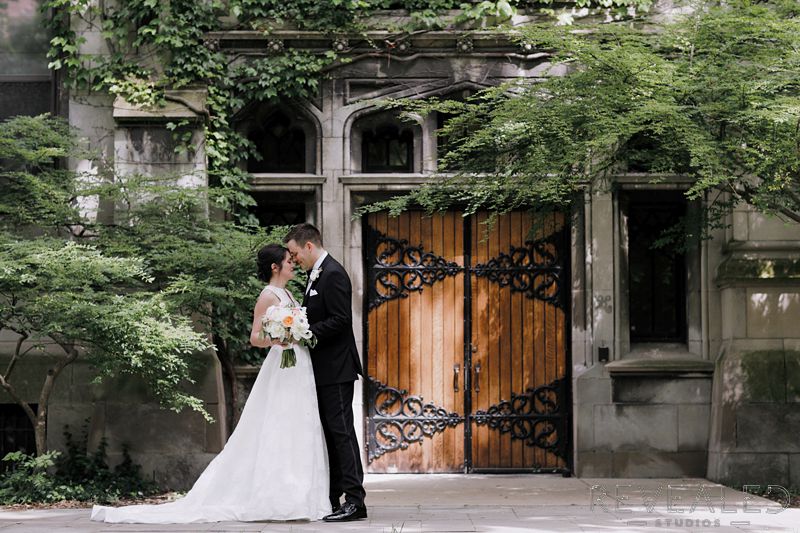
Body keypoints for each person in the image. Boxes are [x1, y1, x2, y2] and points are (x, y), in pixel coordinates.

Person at [90, 244, 331, 523]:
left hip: (298, 364)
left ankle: (300, 495)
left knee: (298, 424)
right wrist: (279, 337)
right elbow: (255, 337)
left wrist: (296, 332)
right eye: (288, 261)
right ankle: (276, 496)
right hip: (282, 363)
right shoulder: (267, 295)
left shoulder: (288, 293)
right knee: (278, 424)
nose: (293, 264)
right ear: (275, 267)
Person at [284, 223, 367, 522]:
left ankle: (355, 501)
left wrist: (304, 333)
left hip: (338, 369)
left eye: (294, 253)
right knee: (332, 435)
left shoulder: (332, 274)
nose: (293, 260)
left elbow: (342, 320)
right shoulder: (315, 274)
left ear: (309, 246)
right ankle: (334, 498)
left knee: (342, 433)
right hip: (324, 370)